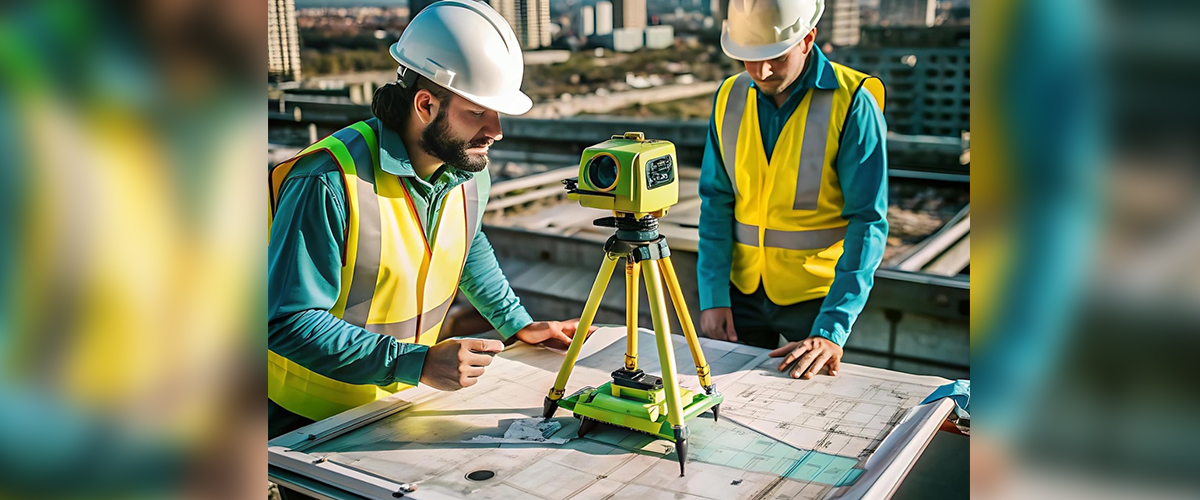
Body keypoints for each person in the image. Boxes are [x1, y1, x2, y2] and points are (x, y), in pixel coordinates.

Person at [267, 0, 589, 440]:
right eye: (478, 111)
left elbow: (467, 246)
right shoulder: (326, 180)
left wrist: (517, 323)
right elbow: (287, 319)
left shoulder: (468, 173)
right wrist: (414, 362)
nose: (496, 129)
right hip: (313, 421)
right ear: (424, 104)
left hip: (411, 403)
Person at [697, 0, 889, 380]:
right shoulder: (728, 97)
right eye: (749, 58)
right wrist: (713, 295)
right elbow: (716, 202)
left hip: (817, 300)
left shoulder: (853, 102)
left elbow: (868, 221)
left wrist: (831, 329)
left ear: (808, 39)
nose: (761, 71)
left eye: (775, 57)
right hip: (741, 294)